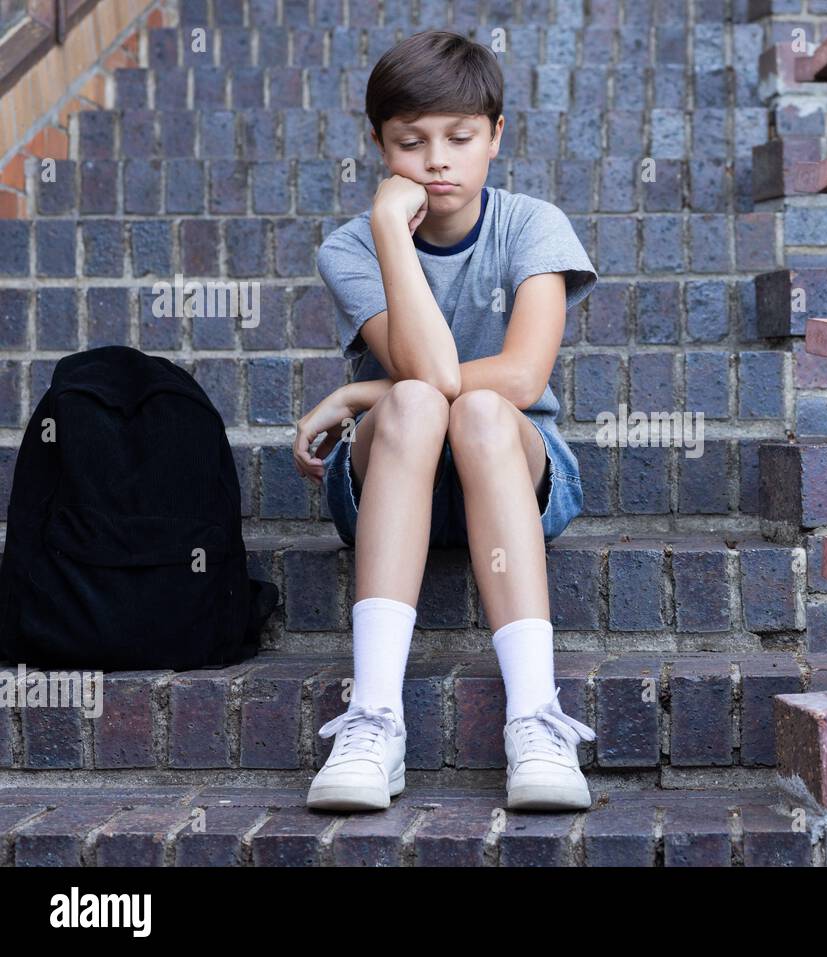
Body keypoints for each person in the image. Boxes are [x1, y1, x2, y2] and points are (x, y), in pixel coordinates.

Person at [291, 30, 597, 813]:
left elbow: (527, 376)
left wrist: (358, 393)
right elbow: (425, 377)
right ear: (379, 145)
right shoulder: (352, 246)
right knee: (420, 400)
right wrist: (394, 230)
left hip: (511, 473)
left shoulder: (533, 225)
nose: (436, 160)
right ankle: (375, 718)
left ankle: (535, 717)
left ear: (497, 136)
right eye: (410, 141)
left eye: (460, 137)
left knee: (486, 412)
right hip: (396, 476)